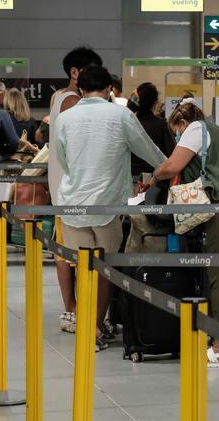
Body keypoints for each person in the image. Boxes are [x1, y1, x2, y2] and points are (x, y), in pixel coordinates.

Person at [55, 65, 167, 351]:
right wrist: (168, 167)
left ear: (80, 89)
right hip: (106, 205)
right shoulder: (120, 114)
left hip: (72, 203)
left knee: (83, 267)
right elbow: (148, 150)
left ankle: (88, 327)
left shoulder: (65, 118)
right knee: (105, 269)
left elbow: (64, 160)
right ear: (110, 90)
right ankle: (94, 326)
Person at [152, 102, 219, 368]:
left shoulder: (194, 128)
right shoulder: (218, 132)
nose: (177, 137)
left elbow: (171, 166)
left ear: (181, 123)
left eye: (175, 132)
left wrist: (155, 177)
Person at [49, 46, 102, 335]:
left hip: (61, 187)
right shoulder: (73, 102)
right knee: (74, 254)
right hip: (72, 190)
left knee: (65, 252)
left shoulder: (57, 96)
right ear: (75, 73)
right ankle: (72, 310)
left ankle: (71, 309)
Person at [131, 83, 176, 177]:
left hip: (129, 176)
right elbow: (171, 155)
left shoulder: (129, 123)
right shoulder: (161, 125)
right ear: (155, 102)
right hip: (155, 180)